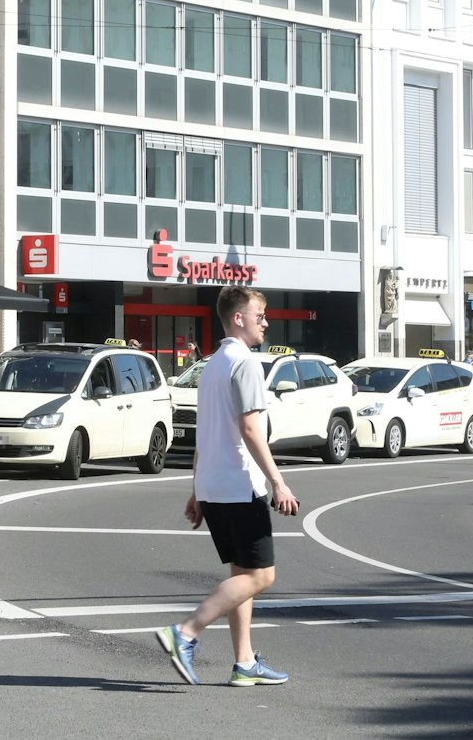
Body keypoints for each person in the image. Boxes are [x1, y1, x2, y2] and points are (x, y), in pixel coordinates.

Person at [153, 285, 298, 688]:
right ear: (238, 318)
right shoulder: (245, 363)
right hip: (239, 485)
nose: (266, 322)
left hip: (214, 486)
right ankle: (184, 632)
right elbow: (250, 428)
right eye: (260, 315)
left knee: (242, 574)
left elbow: (205, 431)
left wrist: (197, 489)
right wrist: (278, 482)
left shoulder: (213, 363)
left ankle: (245, 662)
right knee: (261, 576)